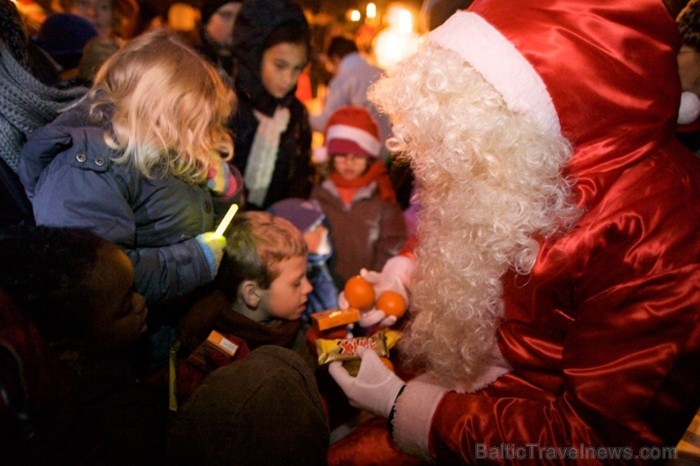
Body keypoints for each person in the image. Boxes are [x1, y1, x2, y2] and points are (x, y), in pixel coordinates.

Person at [326, 0, 700, 464]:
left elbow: (601, 444)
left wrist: (408, 408)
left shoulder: (663, 233)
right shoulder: (526, 143)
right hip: (459, 386)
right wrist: (405, 276)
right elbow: (475, 213)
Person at [0, 224, 329, 465]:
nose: (143, 302)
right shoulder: (120, 426)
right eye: (124, 307)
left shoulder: (120, 372)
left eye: (134, 289)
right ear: (67, 347)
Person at [18, 29, 243, 306]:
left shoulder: (151, 149)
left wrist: (222, 187)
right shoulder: (85, 170)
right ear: (155, 110)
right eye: (188, 124)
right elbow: (102, 279)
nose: (198, 139)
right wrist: (194, 262)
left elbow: (187, 213)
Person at [178, 211, 315, 366]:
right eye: (296, 283)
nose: (309, 287)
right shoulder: (213, 350)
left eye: (307, 275)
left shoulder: (297, 333)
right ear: (252, 293)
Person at [230, 0, 314, 210]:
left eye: (297, 68)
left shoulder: (296, 115)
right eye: (280, 65)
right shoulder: (229, 105)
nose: (288, 79)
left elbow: (300, 180)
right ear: (255, 57)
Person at [311, 106, 406, 290]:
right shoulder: (318, 196)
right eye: (342, 155)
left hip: (367, 290)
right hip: (325, 289)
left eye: (357, 156)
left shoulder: (382, 201)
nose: (349, 162)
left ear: (369, 159)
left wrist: (375, 280)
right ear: (331, 157)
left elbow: (391, 246)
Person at [309, 36, 392, 160]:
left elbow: (327, 122)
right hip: (392, 152)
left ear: (336, 60)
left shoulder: (343, 81)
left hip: (365, 154)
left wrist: (303, 115)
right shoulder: (383, 73)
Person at [268, 197, 339, 317]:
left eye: (321, 224)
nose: (325, 230)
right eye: (314, 227)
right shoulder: (293, 284)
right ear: (292, 239)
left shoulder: (322, 270)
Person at [196, 0, 243, 85]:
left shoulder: (250, 65)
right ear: (208, 20)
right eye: (226, 15)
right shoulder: (190, 60)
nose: (235, 24)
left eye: (240, 18)